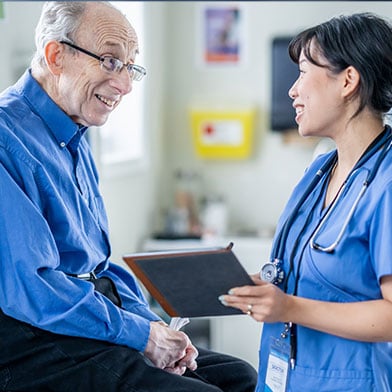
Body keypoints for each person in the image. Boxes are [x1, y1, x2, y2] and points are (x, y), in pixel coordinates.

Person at [0, 2, 257, 391]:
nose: (124, 85)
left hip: (83, 317)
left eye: (130, 66)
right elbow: (34, 289)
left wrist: (151, 326)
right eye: (109, 61)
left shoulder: (76, 130)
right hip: (34, 338)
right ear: (56, 56)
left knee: (239, 377)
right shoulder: (7, 138)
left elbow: (99, 267)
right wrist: (142, 337)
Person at [219, 12, 392, 391]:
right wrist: (260, 290)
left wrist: (289, 308)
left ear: (348, 80)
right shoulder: (319, 170)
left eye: (302, 73)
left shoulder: (387, 181)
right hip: (287, 376)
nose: (292, 91)